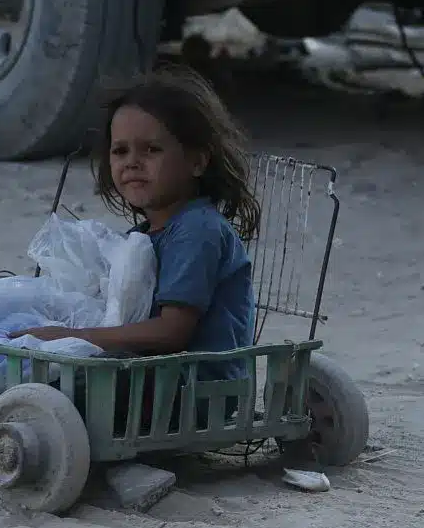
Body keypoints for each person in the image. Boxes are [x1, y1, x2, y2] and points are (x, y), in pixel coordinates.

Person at [13, 67, 260, 370]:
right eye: (120, 151)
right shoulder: (145, 234)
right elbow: (83, 294)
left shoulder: (197, 229)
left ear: (196, 161)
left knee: (37, 379)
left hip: (191, 390)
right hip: (153, 380)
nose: (132, 162)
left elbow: (171, 332)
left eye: (151, 149)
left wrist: (72, 336)